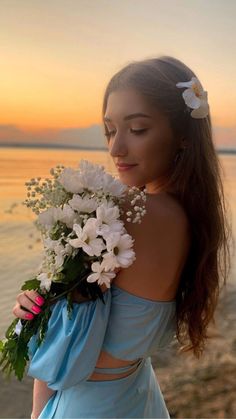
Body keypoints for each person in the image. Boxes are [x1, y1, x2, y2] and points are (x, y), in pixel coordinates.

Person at [12, 55, 232, 418]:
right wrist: (47, 300)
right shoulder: (192, 218)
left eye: (138, 129)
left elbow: (58, 347)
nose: (115, 149)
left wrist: (38, 413)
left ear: (181, 134)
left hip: (89, 404)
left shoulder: (121, 213)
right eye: (111, 130)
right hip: (135, 390)